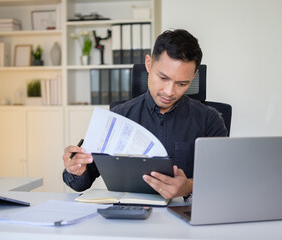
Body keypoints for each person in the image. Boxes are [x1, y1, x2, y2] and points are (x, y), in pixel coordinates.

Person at [62, 29, 227, 200]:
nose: (169, 92)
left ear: (194, 76)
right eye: (163, 78)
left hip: (185, 216)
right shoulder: (119, 116)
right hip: (130, 217)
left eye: (182, 83)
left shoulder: (210, 120)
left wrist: (188, 187)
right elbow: (81, 182)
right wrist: (77, 169)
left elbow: (224, 180)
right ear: (148, 64)